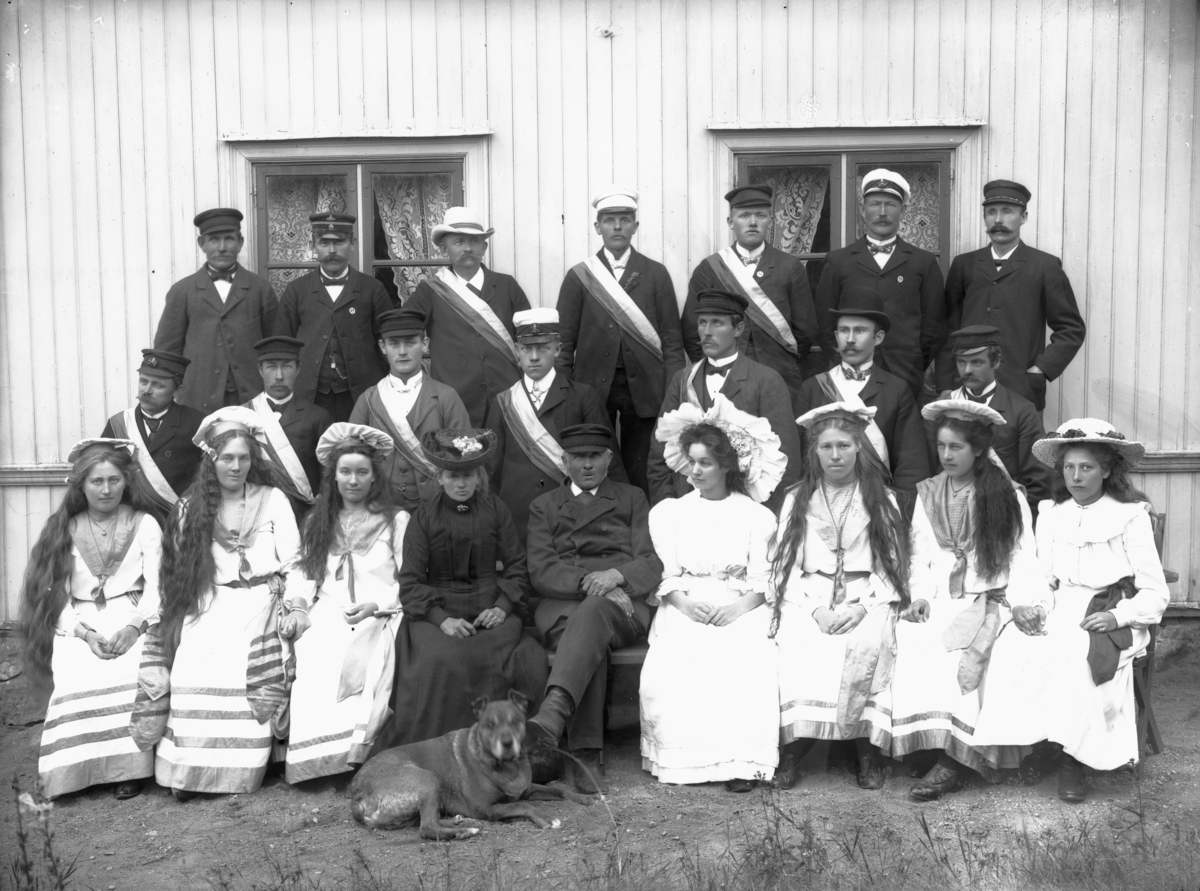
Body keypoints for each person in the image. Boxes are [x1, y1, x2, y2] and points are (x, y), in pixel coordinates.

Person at [971, 419, 1169, 803]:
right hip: (1061, 606)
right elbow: (1040, 575)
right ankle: (1039, 744)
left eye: (1087, 467)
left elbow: (1156, 593)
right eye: (1069, 467)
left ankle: (1073, 759)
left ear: (1107, 470)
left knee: (1077, 656)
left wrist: (1118, 616)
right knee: (1015, 645)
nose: (1076, 477)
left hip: (1113, 609)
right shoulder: (1052, 512)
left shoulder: (1130, 516)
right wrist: (1028, 605)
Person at [890, 401, 1045, 801]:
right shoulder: (929, 492)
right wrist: (921, 595)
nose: (946, 455)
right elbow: (919, 556)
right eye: (941, 446)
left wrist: (1023, 602)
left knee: (973, 654)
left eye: (956, 447)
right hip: (944, 597)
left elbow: (1022, 557)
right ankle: (936, 741)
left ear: (977, 448)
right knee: (914, 638)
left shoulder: (1004, 494)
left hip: (993, 597)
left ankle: (957, 761)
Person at [147, 410, 303, 799]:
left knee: (246, 671)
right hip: (213, 600)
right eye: (227, 458)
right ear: (210, 460)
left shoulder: (273, 500)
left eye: (244, 458)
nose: (236, 466)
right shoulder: (190, 508)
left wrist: (296, 603)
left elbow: (296, 560)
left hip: (263, 599)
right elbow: (179, 572)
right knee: (191, 665)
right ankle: (189, 772)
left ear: (253, 460)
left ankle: (241, 772)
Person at [639, 405, 784, 791]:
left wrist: (735, 609)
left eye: (705, 463)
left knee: (743, 654)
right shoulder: (671, 513)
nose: (695, 471)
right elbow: (669, 576)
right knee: (681, 657)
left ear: (726, 466)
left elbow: (763, 580)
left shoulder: (756, 516)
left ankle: (740, 762)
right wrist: (686, 604)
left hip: (740, 602)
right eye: (692, 463)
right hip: (686, 601)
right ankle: (687, 760)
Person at [771, 403, 911, 792]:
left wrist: (862, 606)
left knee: (867, 642)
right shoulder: (798, 498)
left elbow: (893, 565)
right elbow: (783, 567)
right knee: (799, 640)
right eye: (827, 446)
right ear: (815, 452)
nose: (835, 455)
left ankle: (867, 750)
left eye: (844, 446)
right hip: (810, 594)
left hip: (866, 593)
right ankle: (794, 749)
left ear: (858, 448)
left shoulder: (881, 498)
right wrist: (815, 609)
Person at [523, 423, 664, 794]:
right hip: (563, 605)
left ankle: (558, 718)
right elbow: (542, 569)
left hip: (624, 604)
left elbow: (650, 560)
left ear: (608, 459)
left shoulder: (632, 497)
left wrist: (617, 574)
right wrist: (595, 584)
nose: (586, 465)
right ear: (563, 460)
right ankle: (585, 754)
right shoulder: (544, 505)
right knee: (589, 626)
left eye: (593, 457)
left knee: (590, 620)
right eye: (577, 458)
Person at [20, 439, 162, 800]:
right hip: (80, 620)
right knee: (76, 670)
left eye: (114, 480)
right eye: (96, 481)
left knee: (135, 667)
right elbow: (55, 596)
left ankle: (130, 769)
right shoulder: (64, 528)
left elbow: (157, 588)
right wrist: (83, 634)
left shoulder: (144, 524)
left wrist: (134, 628)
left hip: (133, 615)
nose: (106, 489)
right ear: (81, 485)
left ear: (126, 482)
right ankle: (78, 771)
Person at [389, 429, 548, 746]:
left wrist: (502, 608)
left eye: (468, 476)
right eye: (452, 476)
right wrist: (442, 620)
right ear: (439, 477)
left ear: (479, 476)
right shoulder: (423, 518)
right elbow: (410, 581)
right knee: (441, 657)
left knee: (521, 656)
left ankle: (517, 746)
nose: (460, 484)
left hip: (490, 611)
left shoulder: (496, 510)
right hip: (438, 614)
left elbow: (517, 565)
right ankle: (443, 748)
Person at [286, 424, 409, 783]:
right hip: (330, 609)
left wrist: (378, 605)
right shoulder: (318, 520)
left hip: (381, 611)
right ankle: (320, 761)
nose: (353, 480)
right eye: (345, 472)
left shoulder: (395, 520)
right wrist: (298, 606)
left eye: (361, 472)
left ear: (374, 478)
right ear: (334, 477)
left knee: (368, 659)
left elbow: (407, 578)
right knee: (315, 647)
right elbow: (304, 572)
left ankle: (359, 757)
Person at [557, 186, 687, 494]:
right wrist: (565, 392)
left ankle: (642, 525)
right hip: (591, 386)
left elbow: (672, 340)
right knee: (597, 463)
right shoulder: (579, 276)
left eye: (625, 220)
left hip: (645, 387)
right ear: (597, 227)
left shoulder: (655, 274)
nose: (617, 227)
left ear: (635, 226)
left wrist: (673, 390)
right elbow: (564, 343)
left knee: (642, 466)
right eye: (610, 220)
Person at [648, 288, 802, 514]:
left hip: (745, 511)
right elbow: (658, 453)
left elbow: (785, 460)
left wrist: (762, 518)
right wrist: (671, 507)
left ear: (738, 329)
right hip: (688, 509)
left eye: (717, 323)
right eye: (702, 323)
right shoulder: (682, 380)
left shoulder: (766, 381)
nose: (706, 332)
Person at [938, 180, 1086, 412]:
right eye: (991, 212)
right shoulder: (964, 265)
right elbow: (948, 329)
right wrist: (945, 384)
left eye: (1007, 212)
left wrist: (1041, 369)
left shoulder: (1045, 266)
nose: (998, 220)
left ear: (1023, 217)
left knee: (1021, 448)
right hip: (966, 389)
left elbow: (1071, 329)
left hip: (1021, 388)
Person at [485, 307, 625, 539]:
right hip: (516, 518)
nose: (534, 357)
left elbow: (609, 460)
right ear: (517, 352)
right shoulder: (503, 401)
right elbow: (491, 470)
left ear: (558, 349)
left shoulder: (582, 396)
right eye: (526, 348)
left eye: (543, 348)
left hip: (570, 516)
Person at [682, 184, 818, 414]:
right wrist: (714, 366)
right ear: (730, 221)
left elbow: (805, 330)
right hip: (723, 377)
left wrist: (782, 363)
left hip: (780, 376)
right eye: (744, 215)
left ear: (770, 221)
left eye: (760, 215)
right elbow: (691, 330)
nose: (752, 222)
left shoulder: (790, 267)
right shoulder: (709, 269)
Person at [794, 287, 930, 516]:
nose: (849, 339)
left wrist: (900, 516)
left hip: (878, 507)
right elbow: (800, 458)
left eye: (860, 331)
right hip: (821, 507)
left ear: (878, 337)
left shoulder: (897, 390)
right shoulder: (812, 388)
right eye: (843, 330)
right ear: (836, 336)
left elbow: (911, 465)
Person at [813, 170, 947, 400]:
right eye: (875, 204)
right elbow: (824, 323)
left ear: (903, 211)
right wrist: (844, 359)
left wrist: (913, 362)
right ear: (863, 210)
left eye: (890, 205)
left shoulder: (923, 263)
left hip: (906, 374)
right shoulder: (838, 261)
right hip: (849, 375)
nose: (882, 213)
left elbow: (934, 326)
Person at [405, 207, 531, 426]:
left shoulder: (506, 286)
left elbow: (529, 337)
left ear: (484, 247)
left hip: (508, 398)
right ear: (445, 249)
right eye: (459, 242)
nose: (467, 248)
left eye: (474, 241)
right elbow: (403, 334)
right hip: (454, 402)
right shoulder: (430, 291)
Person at [154, 208, 280, 413]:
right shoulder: (182, 291)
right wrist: (171, 393)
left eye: (229, 239)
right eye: (213, 240)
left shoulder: (260, 289)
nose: (222, 247)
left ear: (240, 242)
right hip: (198, 397)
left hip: (251, 397)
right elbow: (167, 351)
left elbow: (275, 346)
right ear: (201, 244)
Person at [274, 213, 393, 423]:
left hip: (360, 395)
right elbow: (282, 345)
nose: (331, 251)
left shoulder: (373, 289)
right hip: (310, 396)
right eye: (324, 243)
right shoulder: (297, 291)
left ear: (352, 244)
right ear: (313, 245)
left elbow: (387, 343)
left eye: (339, 242)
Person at [348, 308, 470, 512]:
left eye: (410, 342)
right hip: (380, 510)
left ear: (425, 344)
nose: (402, 351)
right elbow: (351, 456)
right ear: (382, 346)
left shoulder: (446, 398)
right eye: (394, 344)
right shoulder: (368, 400)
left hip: (437, 511)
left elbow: (463, 459)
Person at [932, 325, 1051, 509]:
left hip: (1003, 519)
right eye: (961, 362)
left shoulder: (1022, 411)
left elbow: (1039, 483)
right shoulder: (940, 410)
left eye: (977, 362)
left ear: (996, 362)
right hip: (947, 516)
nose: (967, 370)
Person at [102, 349, 205, 521]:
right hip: (131, 522)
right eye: (143, 381)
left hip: (179, 522)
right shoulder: (118, 424)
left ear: (177, 390)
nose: (147, 390)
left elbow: (207, 477)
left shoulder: (196, 423)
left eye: (158, 385)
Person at [244, 335, 334, 519]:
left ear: (298, 369)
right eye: (271, 366)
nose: (279, 376)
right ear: (260, 370)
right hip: (257, 516)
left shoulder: (318, 417)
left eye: (286, 366)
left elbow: (329, 477)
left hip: (304, 515)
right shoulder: (243, 415)